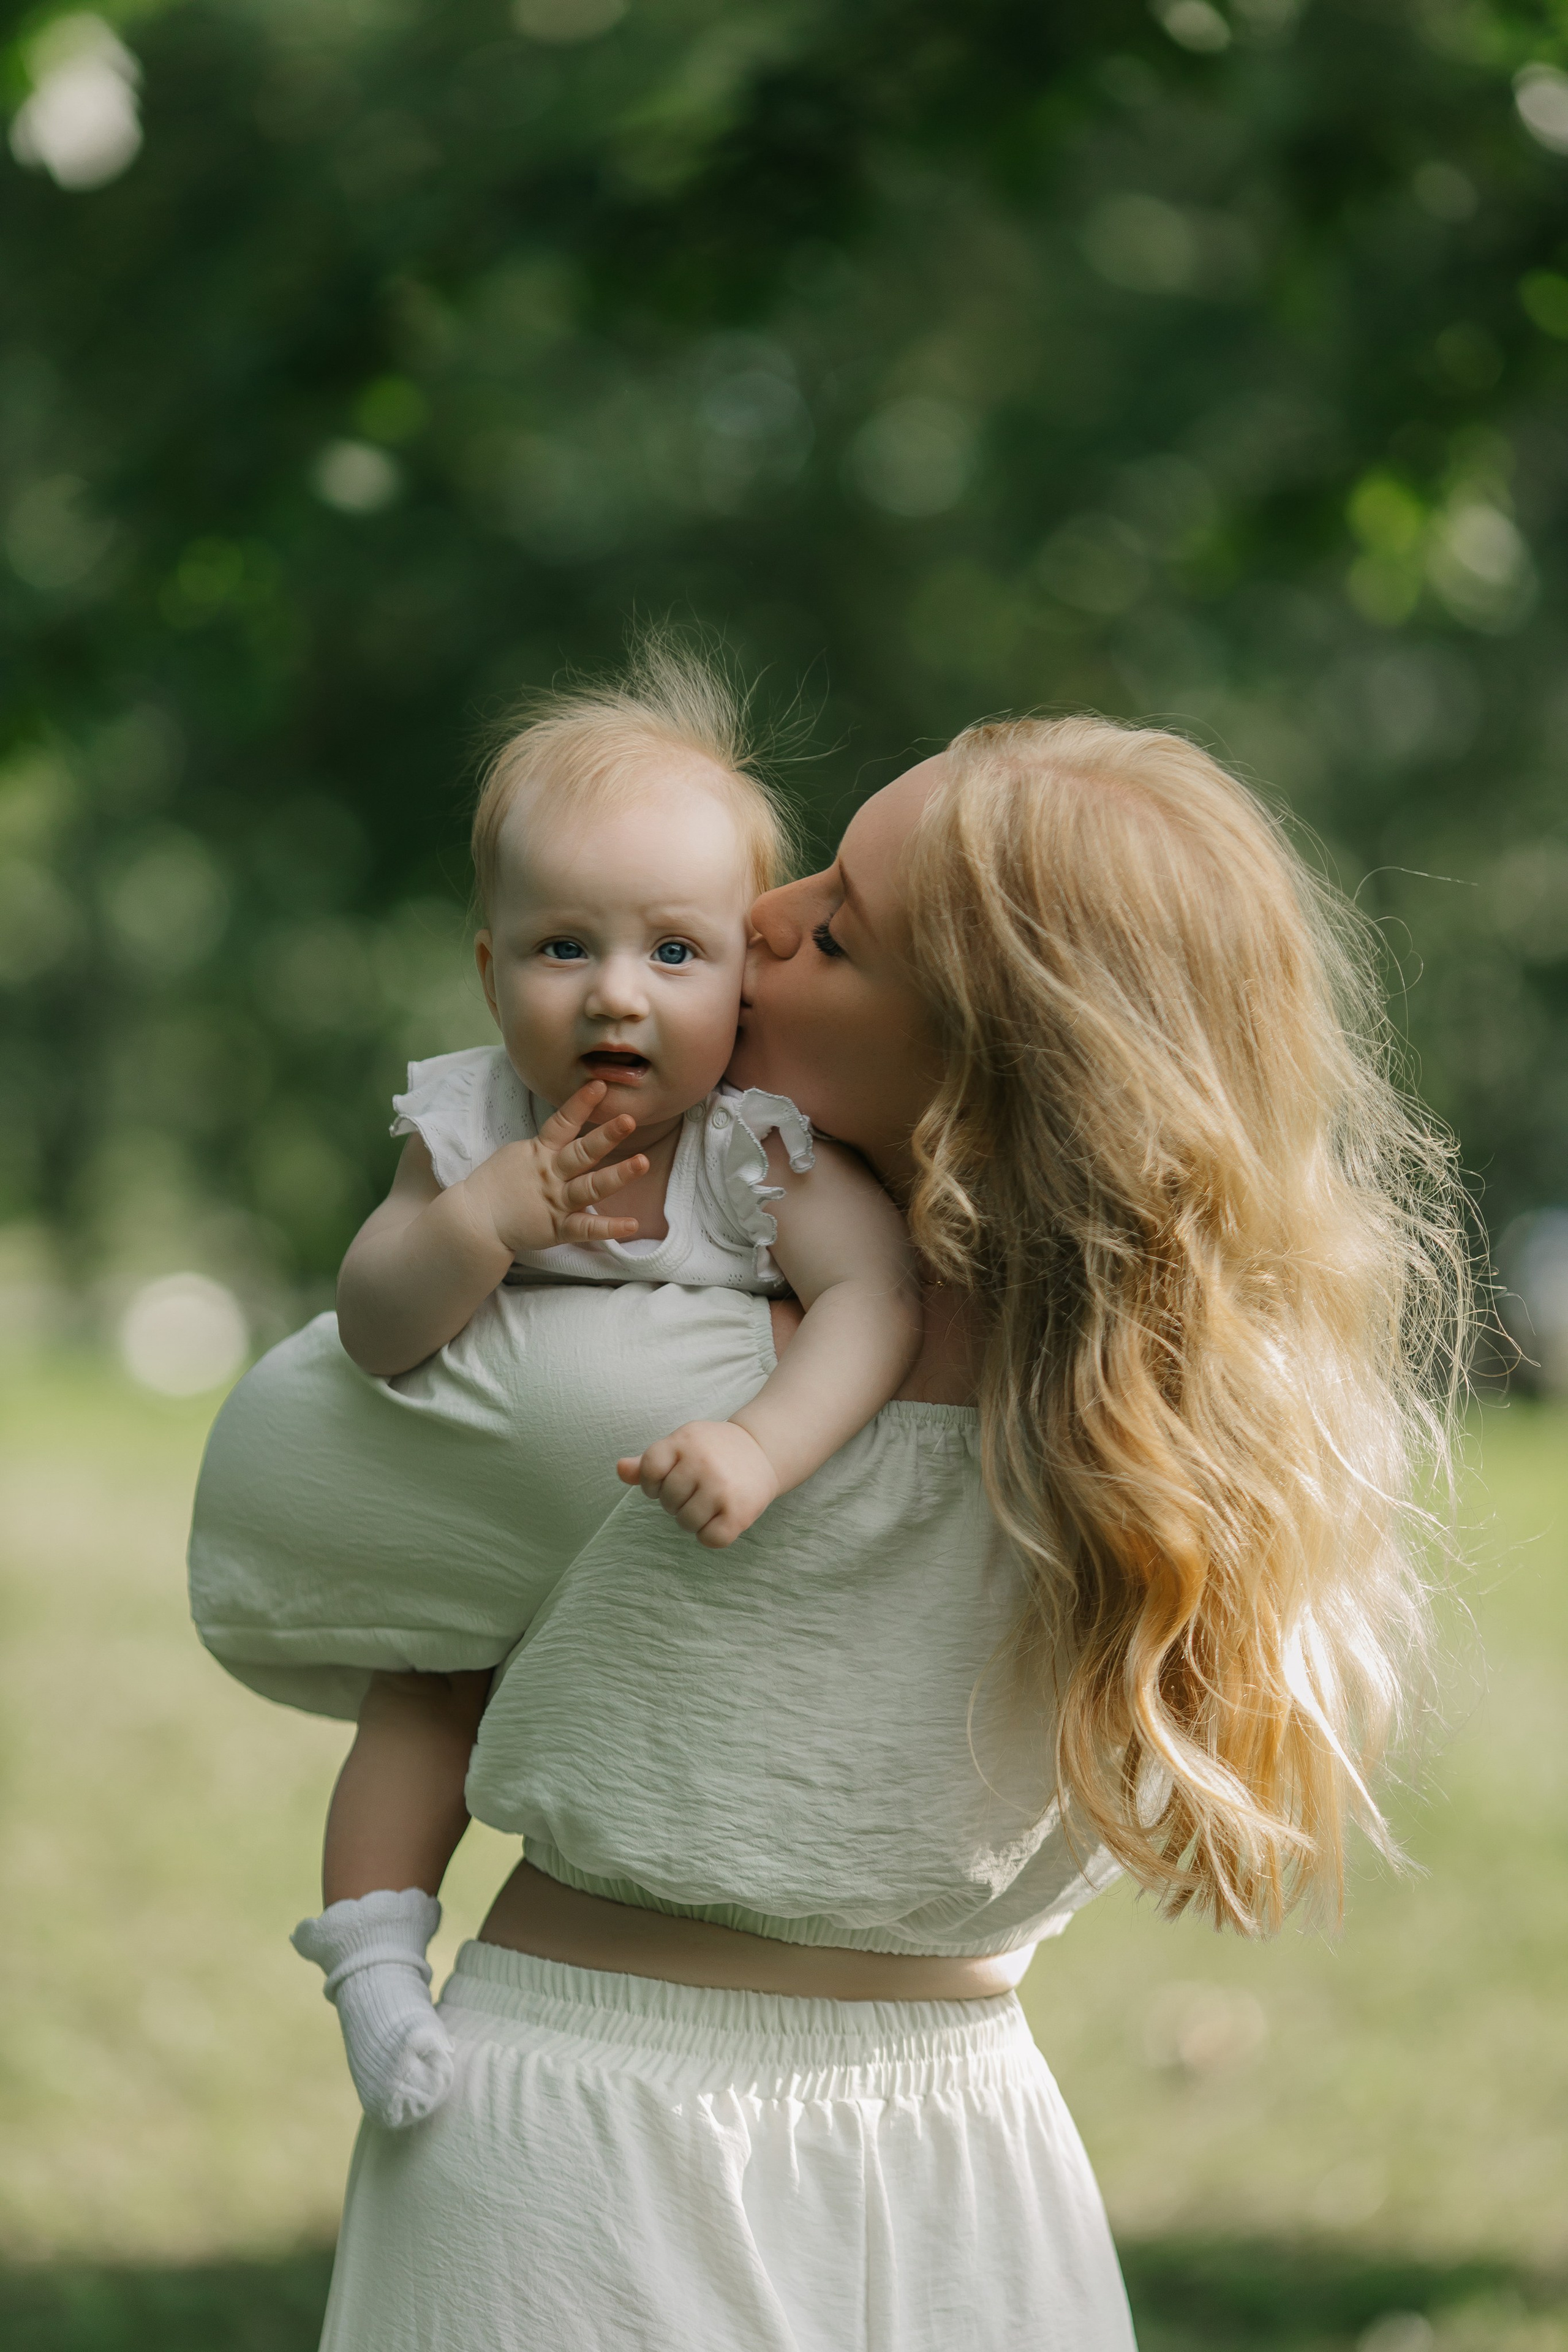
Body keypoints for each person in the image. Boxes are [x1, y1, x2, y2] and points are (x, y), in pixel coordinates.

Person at [193, 671, 1469, 2352]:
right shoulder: (1209, 1433)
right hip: (954, 2158)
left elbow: (273, 1530)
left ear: (999, 1066)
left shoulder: (641, 1368)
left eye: (839, 931)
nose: (758, 917)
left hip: (604, 2123)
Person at [194, 644, 922, 2130]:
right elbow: (377, 1323)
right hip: (486, 1566)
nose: (614, 996)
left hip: (658, 1593)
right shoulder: (471, 1125)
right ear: (486, 966)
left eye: (673, 952)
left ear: (743, 974)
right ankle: (375, 1956)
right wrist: (479, 1225)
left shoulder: (752, 1147)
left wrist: (762, 1447)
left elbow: (876, 1296)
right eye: (558, 947)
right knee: (424, 1698)